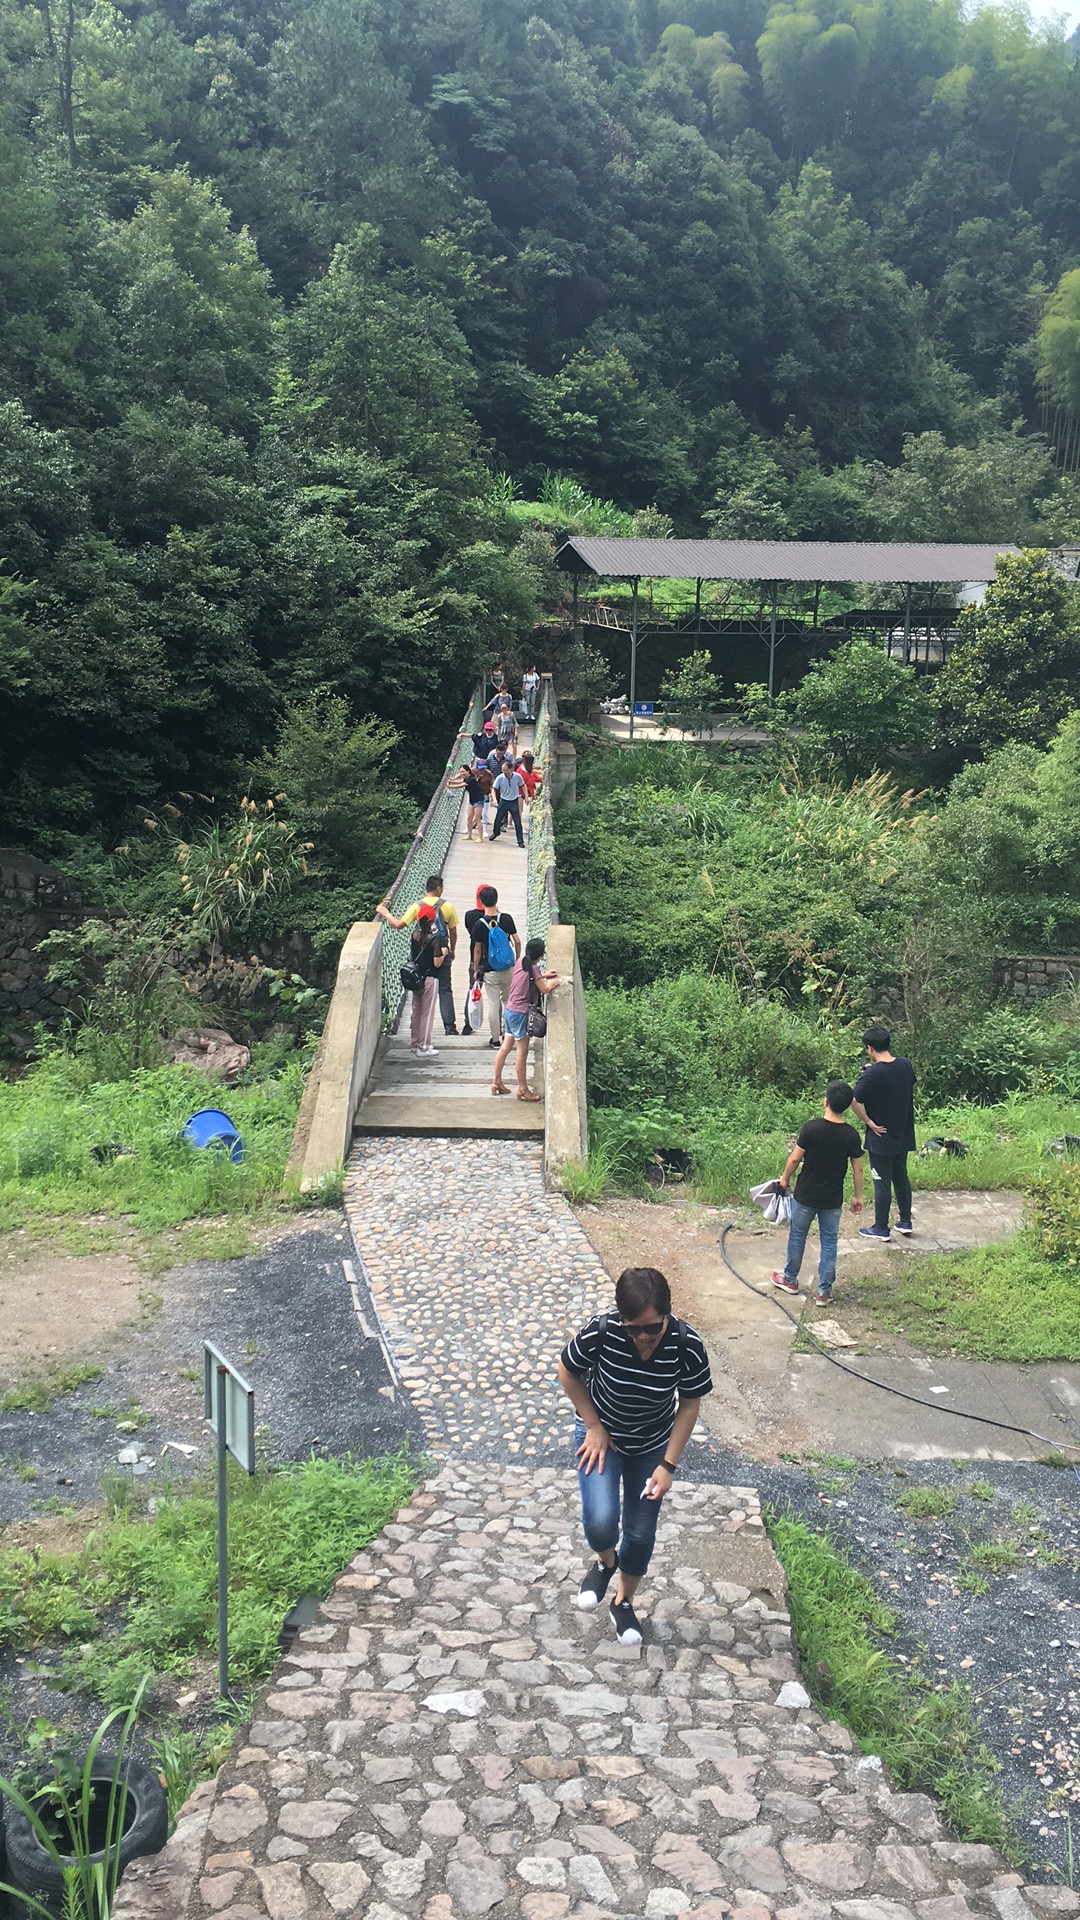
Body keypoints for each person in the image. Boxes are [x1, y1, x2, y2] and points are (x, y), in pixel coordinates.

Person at [558, 1266, 713, 1645]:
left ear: (667, 1315)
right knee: (600, 1522)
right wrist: (593, 1425)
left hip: (652, 1445)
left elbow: (689, 1403)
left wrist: (668, 1464)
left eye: (652, 1328)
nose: (643, 1337)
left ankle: (623, 1601)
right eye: (633, 1329)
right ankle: (606, 1561)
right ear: (621, 1318)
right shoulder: (602, 1331)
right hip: (602, 1436)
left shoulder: (686, 1344)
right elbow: (567, 1371)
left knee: (641, 1534)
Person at [773, 1080, 865, 1305]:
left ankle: (790, 1279)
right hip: (832, 1199)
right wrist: (858, 1196)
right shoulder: (851, 1135)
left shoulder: (811, 1128)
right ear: (847, 1106)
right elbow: (858, 1168)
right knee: (830, 1242)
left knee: (797, 1235)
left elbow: (795, 1158)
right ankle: (824, 1291)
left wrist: (784, 1179)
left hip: (805, 1196)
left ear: (826, 1102)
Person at [852, 1025, 917, 1243]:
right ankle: (905, 1221)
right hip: (903, 1132)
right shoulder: (905, 1065)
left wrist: (869, 1122)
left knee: (881, 1181)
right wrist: (873, 1072)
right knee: (901, 1176)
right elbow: (895, 1081)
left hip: (880, 1136)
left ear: (869, 1048)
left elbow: (853, 1100)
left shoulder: (871, 1074)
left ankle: (881, 1227)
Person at [376, 875, 460, 1037]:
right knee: (445, 989)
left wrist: (385, 913)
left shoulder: (417, 906)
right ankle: (449, 1026)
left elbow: (399, 924)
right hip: (441, 951)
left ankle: (415, 1024)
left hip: (422, 955)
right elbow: (453, 931)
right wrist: (452, 949)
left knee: (419, 988)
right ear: (439, 889)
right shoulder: (447, 906)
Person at [491, 936, 557, 1100]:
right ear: (540, 955)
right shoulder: (533, 968)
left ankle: (496, 1082)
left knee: (505, 1048)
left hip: (510, 1010)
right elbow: (544, 989)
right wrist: (552, 984)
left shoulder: (520, 961)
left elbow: (529, 977)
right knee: (522, 1052)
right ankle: (523, 1089)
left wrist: (542, 975)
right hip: (521, 1013)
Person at [470, 884, 520, 1047]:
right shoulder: (506, 919)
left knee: (493, 1004)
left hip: (490, 969)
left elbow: (478, 950)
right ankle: (508, 1034)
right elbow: (517, 941)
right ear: (496, 900)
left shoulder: (479, 924)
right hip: (508, 967)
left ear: (481, 902)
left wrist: (475, 969)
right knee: (508, 1002)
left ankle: (495, 1039)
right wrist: (516, 961)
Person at [397, 904, 445, 1054]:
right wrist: (444, 953)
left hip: (416, 978)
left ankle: (415, 1042)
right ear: (432, 921)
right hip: (430, 978)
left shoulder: (414, 935)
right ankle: (423, 1047)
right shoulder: (434, 939)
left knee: (416, 1010)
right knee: (427, 1013)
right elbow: (437, 963)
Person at [448, 759, 487, 841]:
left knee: (477, 819)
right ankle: (469, 835)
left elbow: (461, 785)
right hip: (472, 800)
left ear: (468, 771)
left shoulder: (471, 779)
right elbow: (460, 781)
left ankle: (480, 837)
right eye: (460, 772)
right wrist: (452, 781)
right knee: (469, 817)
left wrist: (450, 786)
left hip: (479, 800)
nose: (462, 773)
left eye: (463, 772)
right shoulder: (466, 778)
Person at [491, 761, 527, 845]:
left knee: (517, 822)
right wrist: (494, 799)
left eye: (505, 770)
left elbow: (523, 785)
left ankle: (520, 841)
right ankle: (496, 832)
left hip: (514, 801)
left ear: (511, 769)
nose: (504, 772)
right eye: (502, 770)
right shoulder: (500, 778)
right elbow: (493, 789)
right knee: (498, 819)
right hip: (503, 801)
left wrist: (526, 795)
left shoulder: (517, 776)